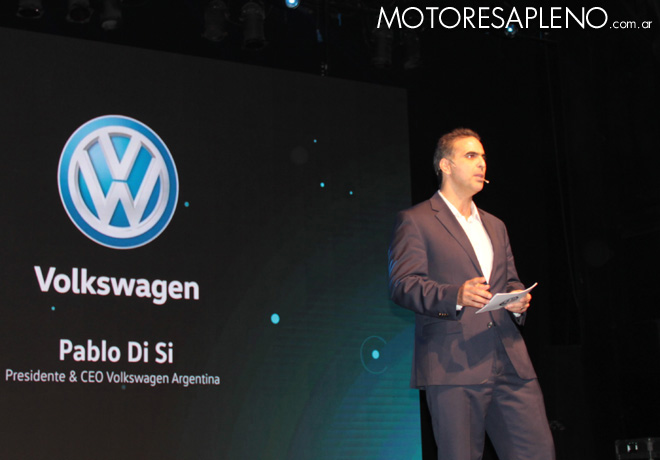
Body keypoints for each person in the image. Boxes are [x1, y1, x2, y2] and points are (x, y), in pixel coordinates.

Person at [388, 128, 555, 460]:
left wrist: (518, 300)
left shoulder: (495, 225)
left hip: (510, 360)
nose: (482, 163)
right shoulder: (416, 221)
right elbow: (402, 284)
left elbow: (510, 280)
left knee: (538, 453)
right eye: (471, 155)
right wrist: (455, 295)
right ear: (446, 165)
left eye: (483, 156)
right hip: (453, 362)